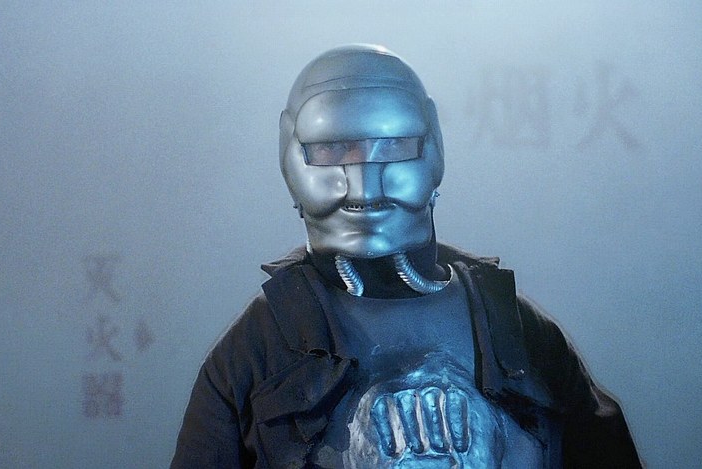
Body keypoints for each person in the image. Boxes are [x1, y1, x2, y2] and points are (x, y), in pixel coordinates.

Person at [171, 44, 641, 468]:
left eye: (393, 145)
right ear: (291, 149)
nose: (365, 186)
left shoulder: (519, 332)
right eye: (333, 148)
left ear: (431, 143)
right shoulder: (257, 349)